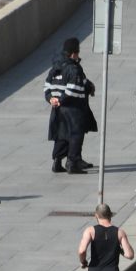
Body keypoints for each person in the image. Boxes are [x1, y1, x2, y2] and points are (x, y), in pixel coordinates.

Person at [43, 35, 96, 173]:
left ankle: (57, 161)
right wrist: (89, 88)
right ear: (73, 53)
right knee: (75, 134)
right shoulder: (73, 68)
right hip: (73, 108)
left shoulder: (55, 67)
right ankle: (73, 163)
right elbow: (74, 88)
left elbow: (47, 86)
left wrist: (51, 99)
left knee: (61, 134)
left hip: (58, 108)